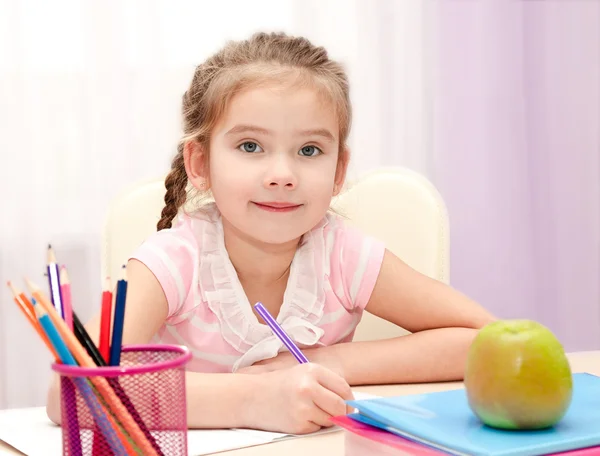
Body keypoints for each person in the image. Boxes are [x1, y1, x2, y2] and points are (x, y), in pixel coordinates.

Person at [46, 31, 495, 434]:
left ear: (338, 170)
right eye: (250, 146)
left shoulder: (342, 254)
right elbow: (68, 395)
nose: (282, 174)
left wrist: (329, 359)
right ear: (199, 163)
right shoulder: (170, 263)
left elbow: (487, 340)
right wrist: (253, 400)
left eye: (309, 149)